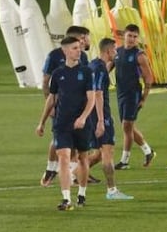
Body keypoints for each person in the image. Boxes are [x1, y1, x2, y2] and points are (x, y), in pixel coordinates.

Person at [36, 36, 95, 211]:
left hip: (82, 124)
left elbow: (91, 98)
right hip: (62, 123)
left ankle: (82, 194)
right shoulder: (58, 74)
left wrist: (83, 117)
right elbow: (52, 99)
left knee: (83, 157)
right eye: (75, 48)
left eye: (79, 48)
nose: (79, 50)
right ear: (65, 51)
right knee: (63, 157)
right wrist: (42, 122)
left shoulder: (86, 72)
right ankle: (66, 199)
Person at [88, 38, 134, 200]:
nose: (116, 53)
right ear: (108, 51)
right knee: (108, 152)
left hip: (91, 114)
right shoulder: (100, 69)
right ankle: (112, 190)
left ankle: (74, 172)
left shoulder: (92, 65)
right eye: (114, 50)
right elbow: (98, 94)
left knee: (99, 153)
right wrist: (101, 120)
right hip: (100, 115)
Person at [113, 24, 157, 170]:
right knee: (128, 127)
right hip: (120, 94)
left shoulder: (139, 55)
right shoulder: (117, 52)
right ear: (123, 36)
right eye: (129, 35)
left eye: (135, 36)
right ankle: (148, 151)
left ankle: (124, 161)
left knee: (126, 126)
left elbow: (149, 78)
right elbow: (107, 67)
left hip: (133, 95)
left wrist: (144, 98)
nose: (132, 39)